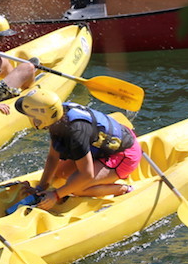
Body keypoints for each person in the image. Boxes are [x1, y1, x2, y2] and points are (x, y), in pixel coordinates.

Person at [14, 89, 142, 210]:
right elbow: (53, 157)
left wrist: (56, 195)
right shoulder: (56, 115)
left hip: (124, 155)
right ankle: (102, 174)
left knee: (76, 187)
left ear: (41, 117)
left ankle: (123, 189)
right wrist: (41, 187)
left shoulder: (76, 132)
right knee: (60, 174)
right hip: (101, 146)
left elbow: (86, 175)